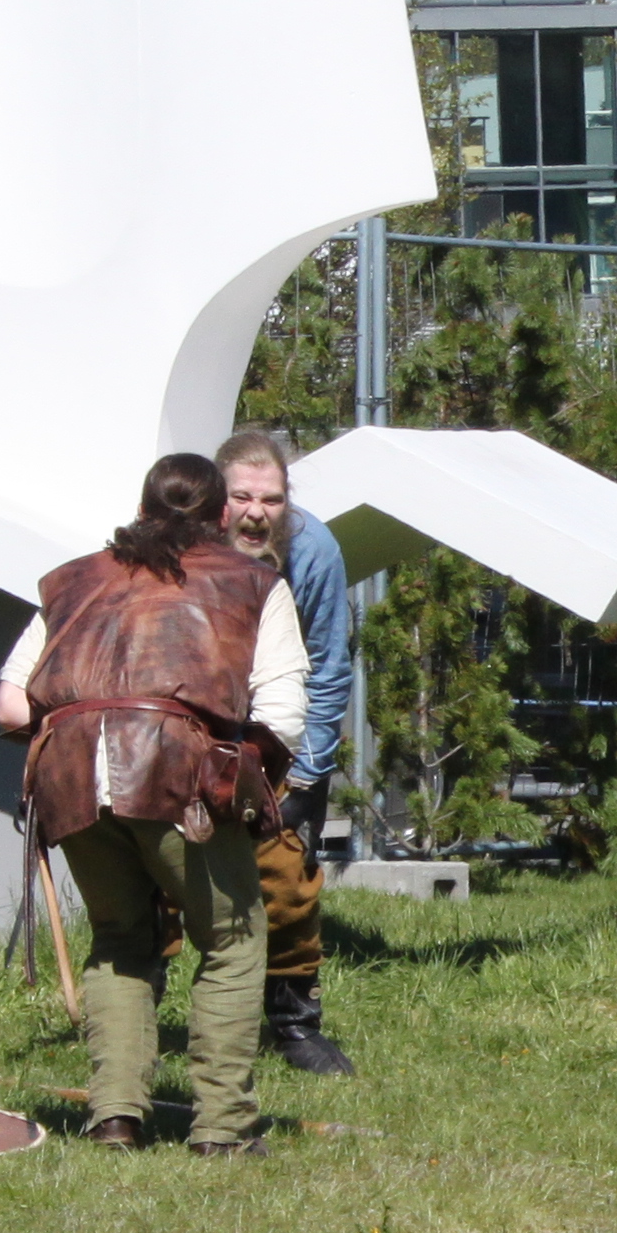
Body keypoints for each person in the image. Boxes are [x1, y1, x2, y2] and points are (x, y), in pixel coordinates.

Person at [0, 452, 306, 1158]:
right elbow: (284, 717)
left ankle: (115, 1119)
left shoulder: (73, 580)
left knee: (119, 940)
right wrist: (245, 783)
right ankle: (224, 1129)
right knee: (231, 941)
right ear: (222, 515)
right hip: (178, 782)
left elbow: (11, 701)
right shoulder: (253, 582)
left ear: (142, 511)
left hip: (72, 779)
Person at [217, 428, 364, 1078]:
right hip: (200, 744)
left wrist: (305, 770)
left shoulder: (315, 551)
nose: (255, 512)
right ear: (217, 498)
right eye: (242, 496)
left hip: (284, 746)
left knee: (287, 889)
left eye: (271, 499)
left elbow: (331, 667)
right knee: (166, 891)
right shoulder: (188, 544)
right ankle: (150, 1019)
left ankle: (295, 1025)